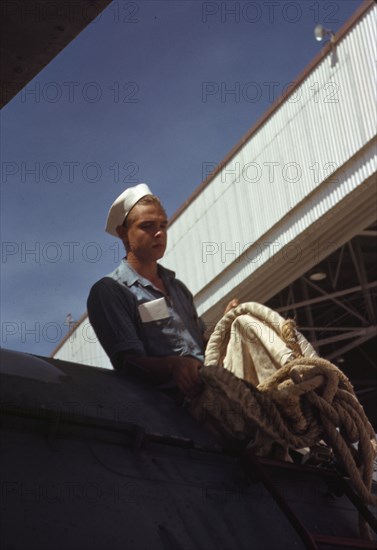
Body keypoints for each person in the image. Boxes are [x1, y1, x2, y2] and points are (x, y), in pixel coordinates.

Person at [87, 184, 238, 397]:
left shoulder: (178, 289)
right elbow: (128, 363)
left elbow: (201, 347)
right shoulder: (110, 292)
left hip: (210, 392)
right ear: (123, 234)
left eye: (163, 225)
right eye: (147, 226)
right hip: (165, 411)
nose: (159, 233)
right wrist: (172, 366)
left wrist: (226, 327)